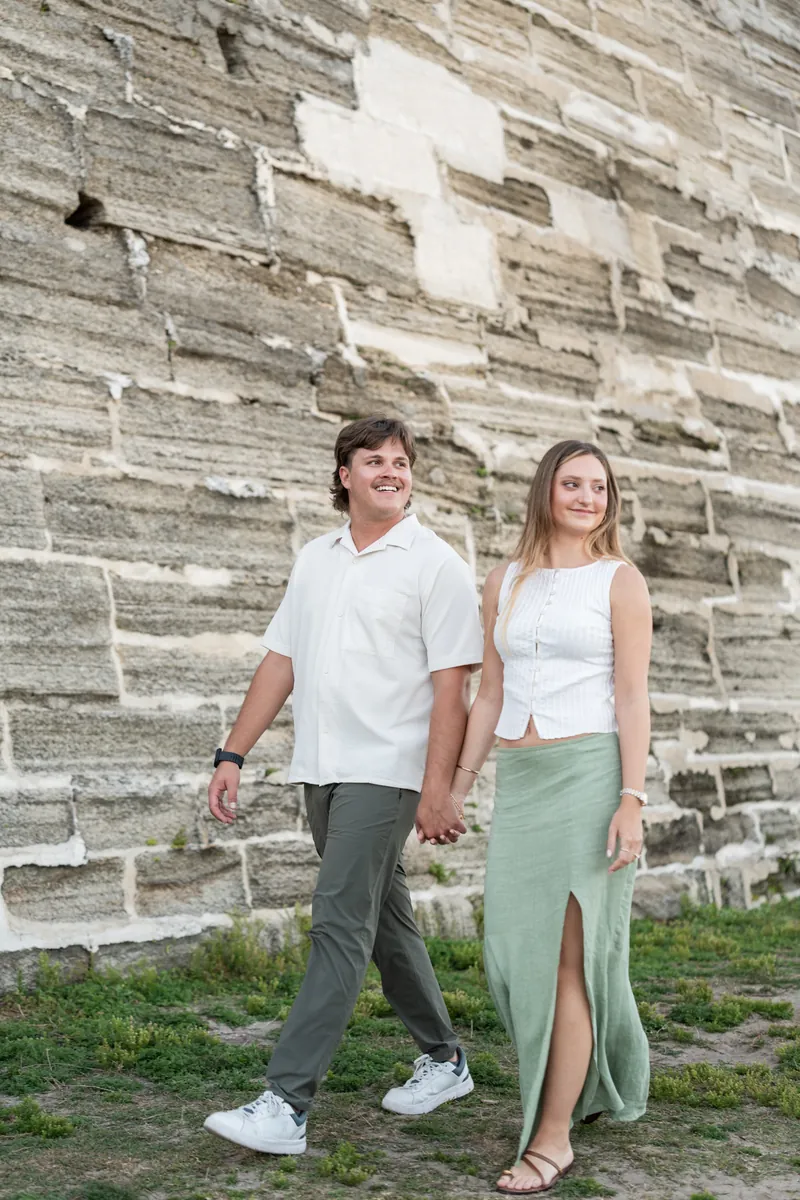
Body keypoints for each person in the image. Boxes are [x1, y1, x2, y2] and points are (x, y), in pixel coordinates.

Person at [203, 415, 484, 1156]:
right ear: (344, 475)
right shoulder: (316, 558)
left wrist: (441, 789)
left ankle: (286, 1105)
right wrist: (232, 753)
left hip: (385, 772)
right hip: (322, 768)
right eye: (374, 460)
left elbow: (452, 689)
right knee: (384, 920)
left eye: (401, 462)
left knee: (337, 924)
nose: (391, 471)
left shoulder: (436, 564)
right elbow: (282, 661)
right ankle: (445, 1060)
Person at [449, 440, 651, 1194]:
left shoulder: (619, 581)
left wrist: (632, 799)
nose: (588, 497)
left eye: (600, 486)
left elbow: (632, 696)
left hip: (590, 777)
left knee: (565, 959)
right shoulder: (504, 581)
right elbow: (490, 694)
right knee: (511, 952)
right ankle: (593, 1074)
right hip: (523, 781)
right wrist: (459, 785)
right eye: (573, 483)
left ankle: (554, 1135)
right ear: (545, 491)